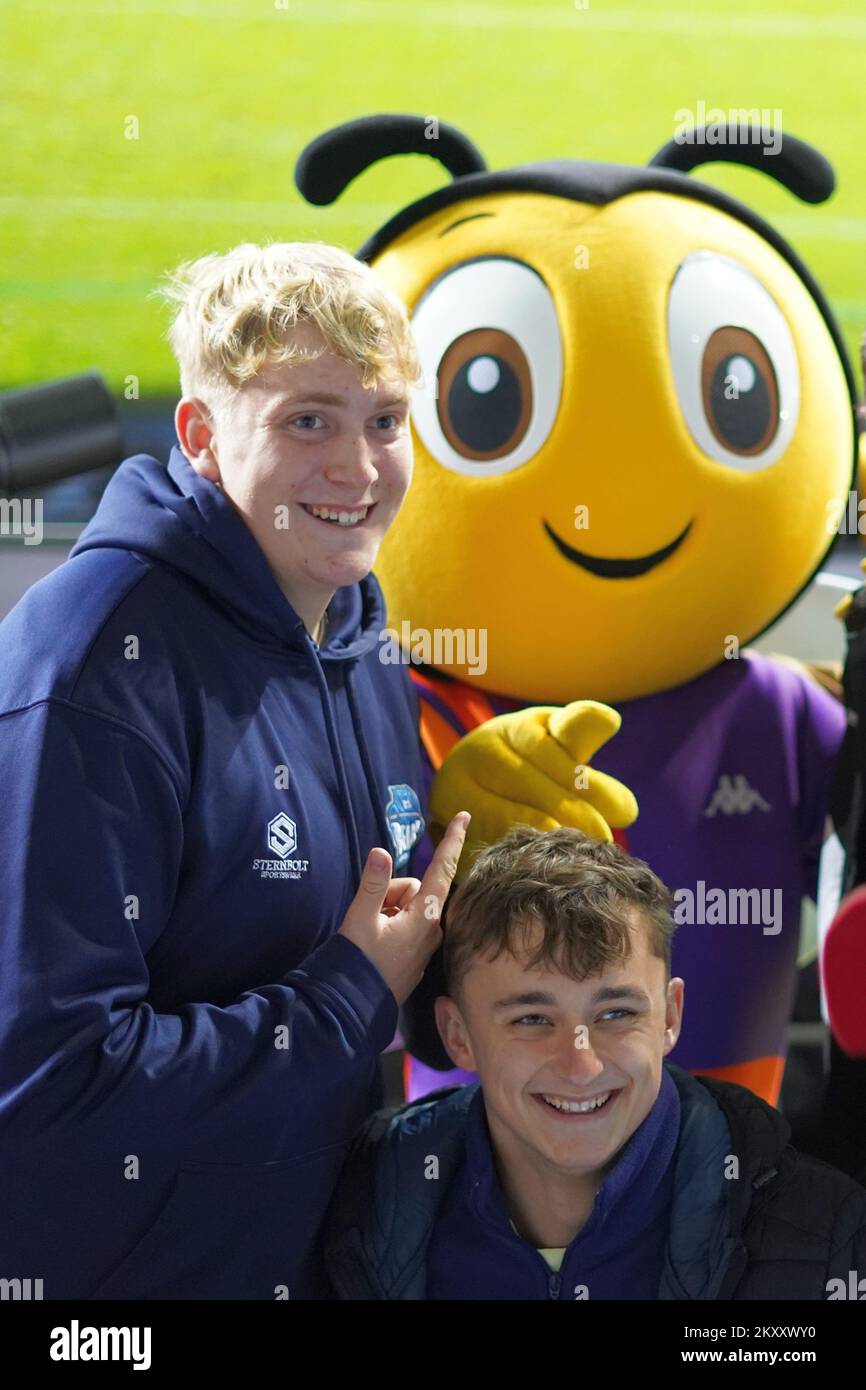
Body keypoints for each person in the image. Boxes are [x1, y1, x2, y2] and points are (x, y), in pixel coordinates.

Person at [0, 239, 470, 1299]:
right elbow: (50, 1092)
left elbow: (356, 938)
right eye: (308, 420)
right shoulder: (90, 672)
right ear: (202, 436)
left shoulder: (348, 624)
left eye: (384, 420)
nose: (357, 468)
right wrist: (351, 991)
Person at [324, 824, 866, 1299]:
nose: (580, 1064)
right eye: (532, 1019)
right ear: (457, 1035)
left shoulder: (825, 1231)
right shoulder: (358, 1204)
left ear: (670, 1016)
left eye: (616, 1013)